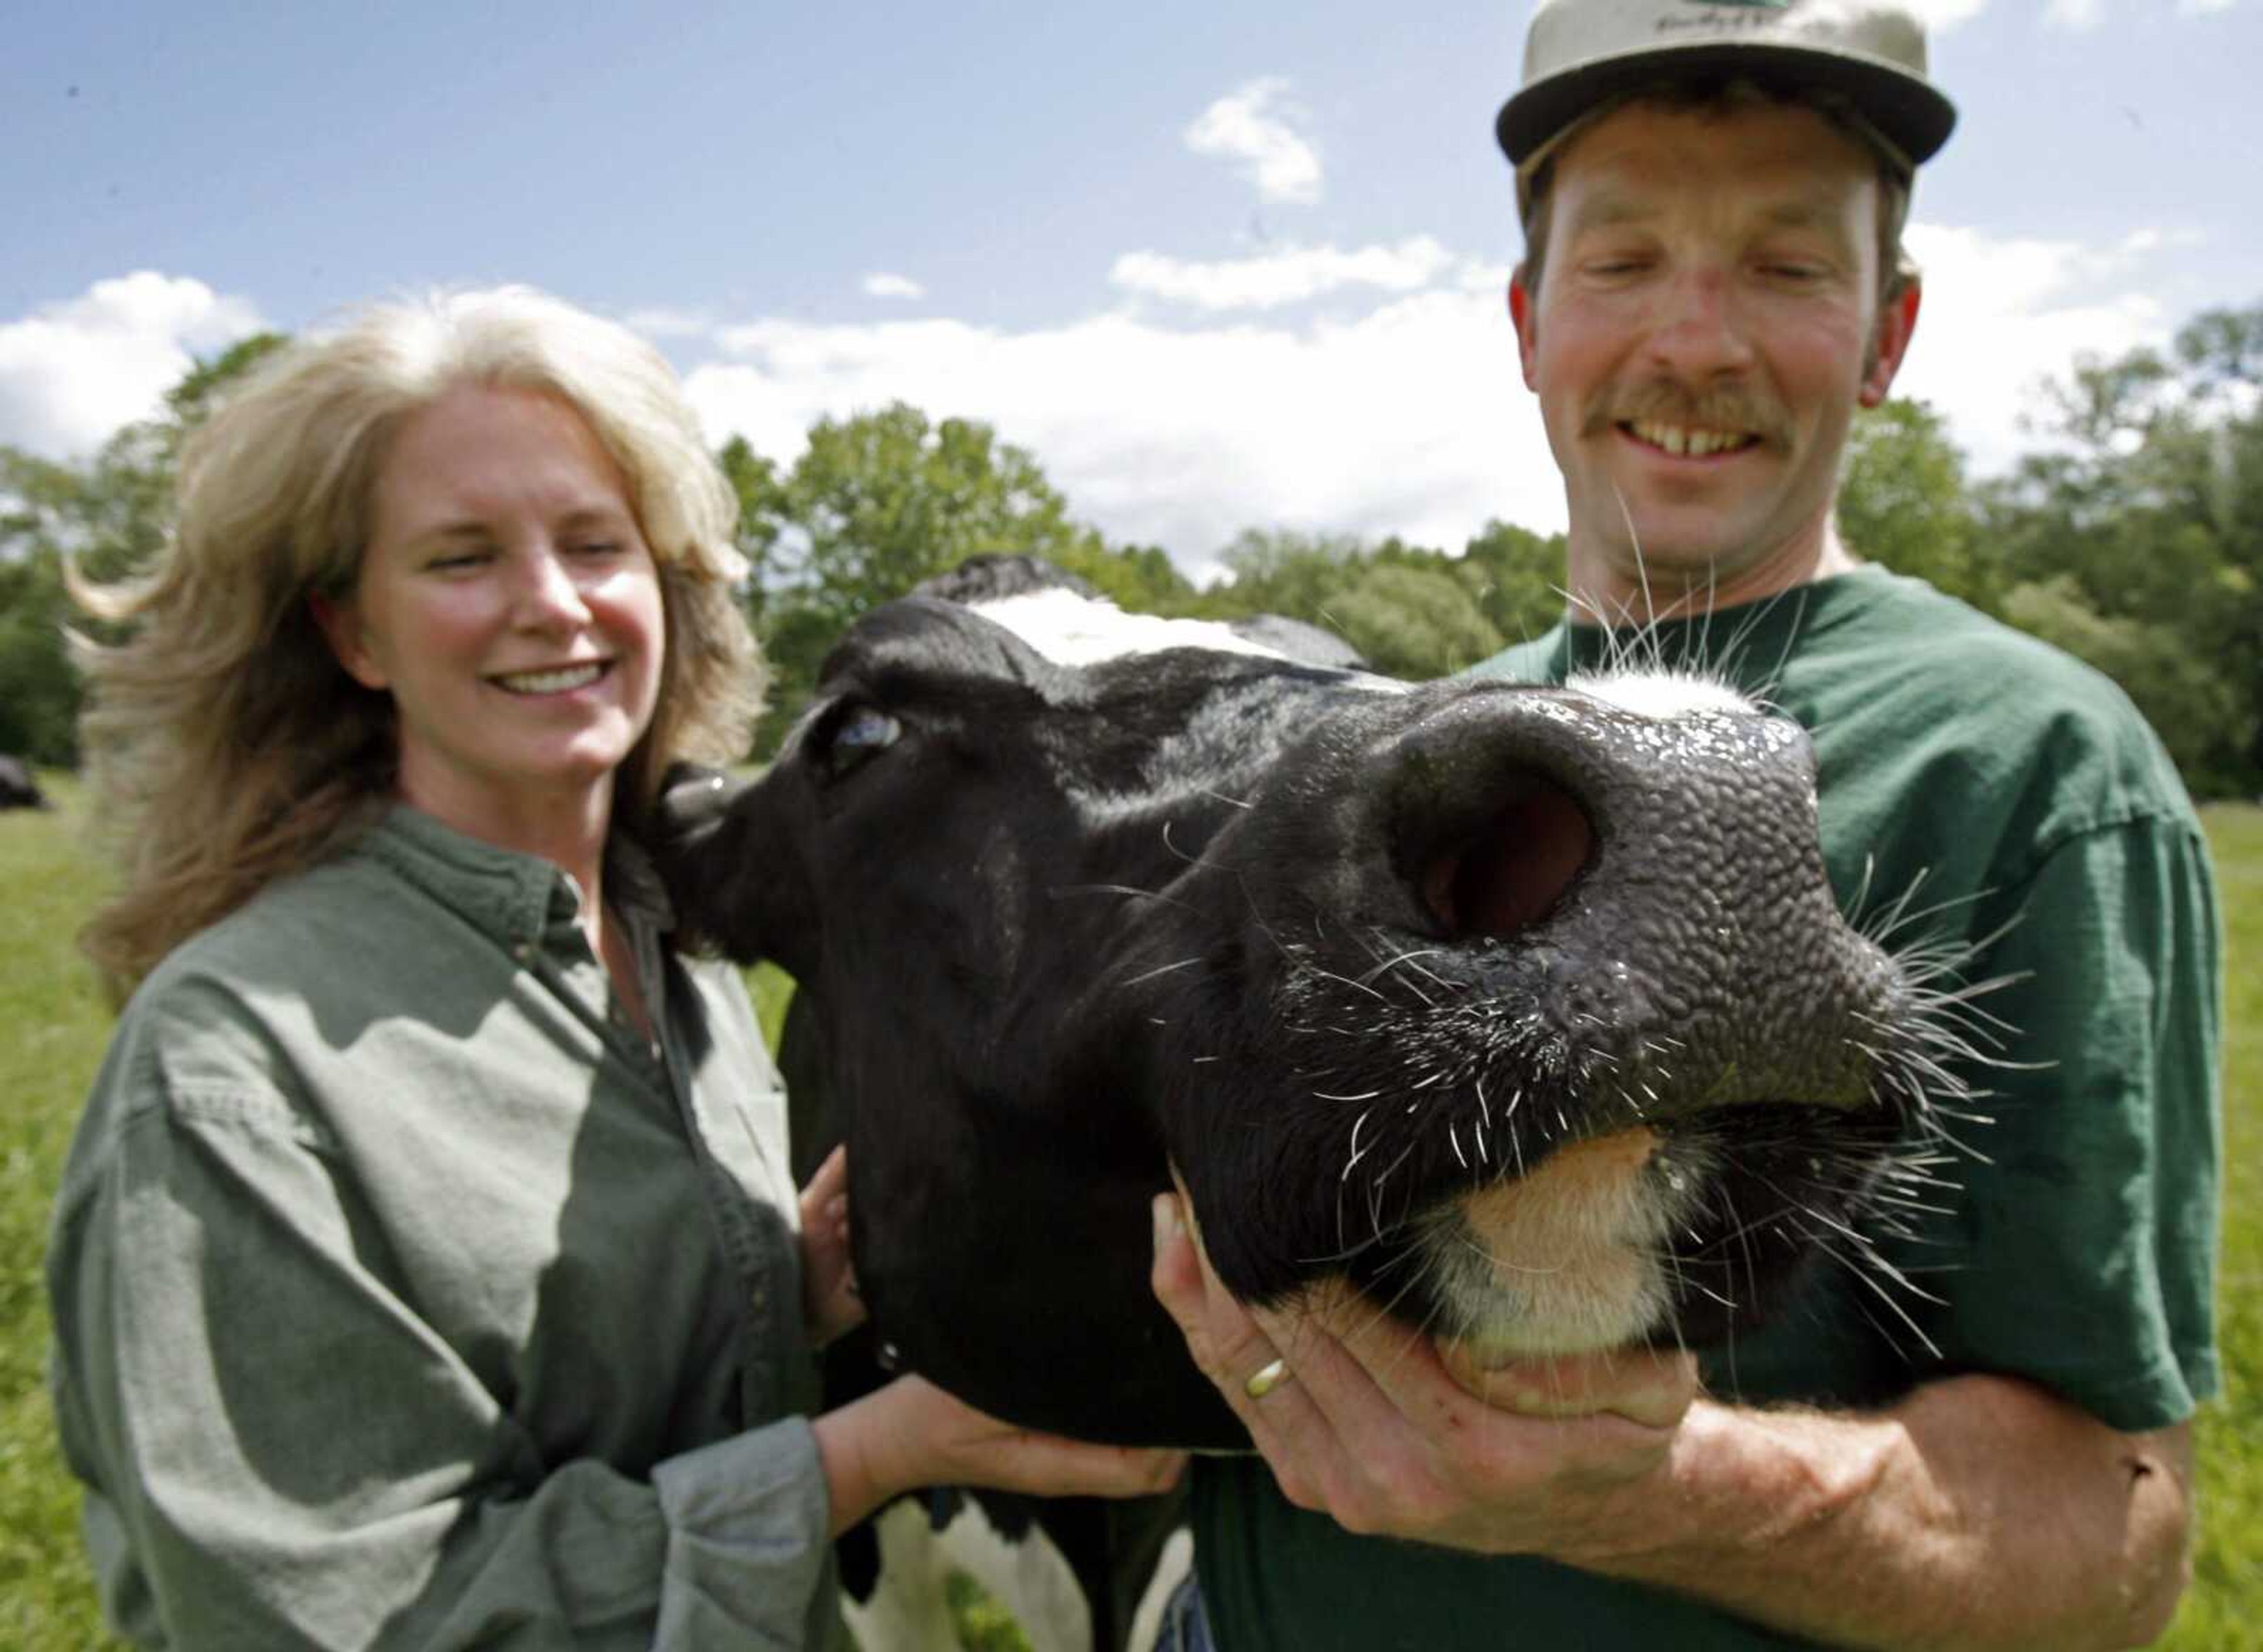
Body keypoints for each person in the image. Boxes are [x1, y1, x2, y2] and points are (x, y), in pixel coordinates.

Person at [1150, 2, 2222, 1647]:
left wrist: (1638, 1488)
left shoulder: (2035, 764)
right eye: (1625, 259)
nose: (1697, 340)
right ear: (1527, 321)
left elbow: (2116, 1544)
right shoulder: (1398, 753)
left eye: (1789, 267)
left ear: (1887, 334)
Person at [45, 285, 1183, 1650]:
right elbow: (361, 1618)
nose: (549, 604)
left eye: (596, 545)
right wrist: (874, 1454)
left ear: (663, 588)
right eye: (462, 559)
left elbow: (598, 1393)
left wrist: (785, 1298)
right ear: (353, 633)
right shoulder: (231, 1076)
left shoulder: (676, 953)